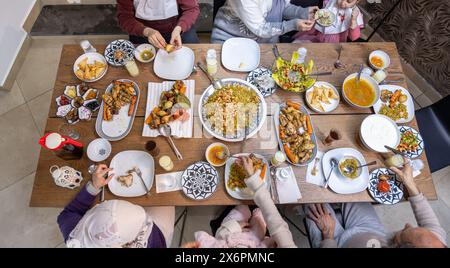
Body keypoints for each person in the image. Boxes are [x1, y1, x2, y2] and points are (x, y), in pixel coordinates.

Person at [305, 158, 447, 248]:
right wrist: (410, 184)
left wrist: (328, 235)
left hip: (335, 242)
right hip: (370, 231)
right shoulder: (436, 243)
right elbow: (431, 224)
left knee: (310, 195)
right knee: (354, 185)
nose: (407, 224)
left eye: (404, 232)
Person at [184, 156, 296, 248]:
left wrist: (233, 227)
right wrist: (252, 176)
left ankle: (244, 211)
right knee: (259, 217)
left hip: (229, 233)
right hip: (258, 236)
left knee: (241, 210)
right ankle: (254, 214)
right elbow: (277, 227)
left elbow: (218, 237)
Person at [57, 164, 175, 248]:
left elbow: (68, 213)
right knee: (168, 193)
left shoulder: (75, 237)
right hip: (156, 235)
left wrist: (93, 187)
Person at [211, 0, 319, 43]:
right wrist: (293, 25)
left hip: (264, 40)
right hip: (230, 38)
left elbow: (283, 7)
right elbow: (261, 28)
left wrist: (303, 12)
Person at [117, 0, 200, 48]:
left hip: (177, 28)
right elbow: (124, 17)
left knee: (192, 52)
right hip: (142, 31)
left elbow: (192, 9)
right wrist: (146, 31)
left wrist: (179, 28)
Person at [293, 0, 363, 43]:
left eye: (348, 1)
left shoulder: (355, 14)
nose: (342, 3)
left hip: (334, 41)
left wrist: (353, 21)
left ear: (357, 1)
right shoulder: (330, 1)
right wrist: (316, 14)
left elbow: (353, 37)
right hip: (316, 32)